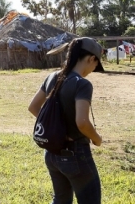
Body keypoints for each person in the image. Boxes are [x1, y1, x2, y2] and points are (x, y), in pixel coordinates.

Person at [28, 37, 104, 204]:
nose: (93, 69)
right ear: (91, 59)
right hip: (76, 154)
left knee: (61, 200)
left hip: (51, 153)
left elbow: (33, 107)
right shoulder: (82, 84)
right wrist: (96, 138)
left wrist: (56, 130)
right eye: (95, 65)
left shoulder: (51, 77)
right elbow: (82, 122)